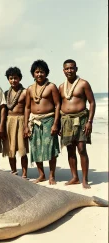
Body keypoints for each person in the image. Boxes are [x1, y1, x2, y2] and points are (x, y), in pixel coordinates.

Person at [58, 59, 96, 189]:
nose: (69, 70)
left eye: (72, 68)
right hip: (66, 121)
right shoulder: (61, 87)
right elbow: (59, 105)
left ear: (76, 69)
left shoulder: (83, 84)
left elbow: (92, 102)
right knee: (70, 150)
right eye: (67, 68)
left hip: (81, 120)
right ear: (63, 71)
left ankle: (85, 179)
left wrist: (89, 122)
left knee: (82, 149)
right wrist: (58, 124)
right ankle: (74, 177)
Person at [24, 60, 60, 185]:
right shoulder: (29, 89)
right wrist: (25, 126)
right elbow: (27, 108)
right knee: (35, 148)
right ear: (33, 74)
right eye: (37, 72)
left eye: (42, 72)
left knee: (50, 149)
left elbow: (57, 105)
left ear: (46, 73)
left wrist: (56, 124)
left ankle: (52, 175)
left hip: (49, 120)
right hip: (34, 121)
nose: (39, 74)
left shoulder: (51, 87)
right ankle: (41, 175)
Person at [3, 67, 29, 178]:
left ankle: (24, 173)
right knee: (10, 149)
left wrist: (26, 125)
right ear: (8, 79)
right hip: (9, 121)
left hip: (21, 120)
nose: (13, 80)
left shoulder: (25, 92)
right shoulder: (5, 93)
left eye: (16, 78)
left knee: (22, 150)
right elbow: (3, 110)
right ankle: (14, 171)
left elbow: (28, 108)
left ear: (20, 78)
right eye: (11, 78)